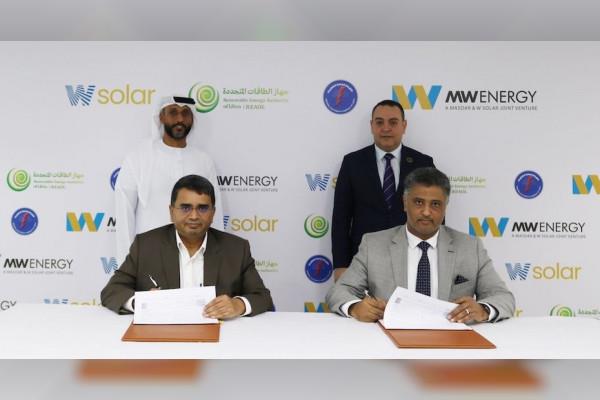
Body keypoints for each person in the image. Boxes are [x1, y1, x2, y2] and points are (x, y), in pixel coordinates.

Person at [326, 167, 515, 324]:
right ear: (404, 203)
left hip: (451, 346)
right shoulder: (374, 244)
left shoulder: (469, 247)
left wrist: (483, 310)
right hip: (389, 344)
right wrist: (355, 307)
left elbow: (503, 297)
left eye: (435, 204)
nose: (426, 212)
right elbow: (339, 291)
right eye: (418, 202)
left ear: (445, 207)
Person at [102, 175, 273, 318]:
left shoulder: (236, 249)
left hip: (219, 338)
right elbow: (112, 291)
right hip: (161, 338)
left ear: (213, 213)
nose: (194, 216)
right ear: (171, 211)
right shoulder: (146, 245)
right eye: (185, 208)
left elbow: (262, 297)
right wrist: (143, 302)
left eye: (202, 208)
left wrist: (238, 305)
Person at [332, 99, 435, 281]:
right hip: (363, 261)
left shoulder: (423, 163)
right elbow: (341, 219)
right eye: (379, 122)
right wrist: (341, 265)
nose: (386, 128)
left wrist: (433, 259)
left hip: (412, 259)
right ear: (372, 126)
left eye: (393, 122)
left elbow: (435, 215)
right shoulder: (352, 163)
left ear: (404, 126)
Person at [114, 96, 223, 265]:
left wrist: (216, 261)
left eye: (185, 113)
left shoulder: (203, 160)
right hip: (150, 257)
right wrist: (127, 264)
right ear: (161, 117)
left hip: (195, 259)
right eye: (173, 112)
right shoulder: (139, 157)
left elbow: (214, 213)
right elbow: (124, 213)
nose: (180, 119)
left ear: (192, 119)